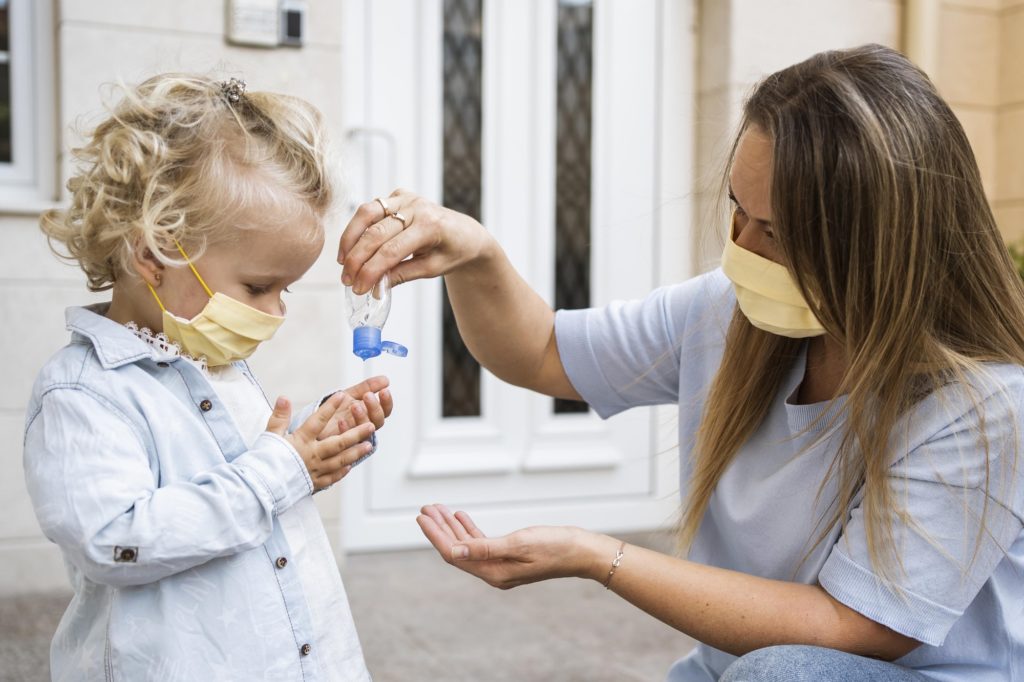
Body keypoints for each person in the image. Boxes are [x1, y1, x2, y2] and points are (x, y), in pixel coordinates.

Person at [337, 44, 1024, 681]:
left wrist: (597, 557)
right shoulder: (727, 315)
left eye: (775, 232)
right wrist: (475, 254)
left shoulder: (984, 405)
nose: (740, 248)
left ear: (878, 244)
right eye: (736, 209)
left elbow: (855, 626)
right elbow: (542, 352)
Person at [25, 74, 392, 681]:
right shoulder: (85, 394)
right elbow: (116, 539)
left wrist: (316, 438)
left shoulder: (209, 361)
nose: (277, 311)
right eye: (258, 286)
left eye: (286, 289)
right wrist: (285, 466)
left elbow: (239, 469)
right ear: (154, 254)